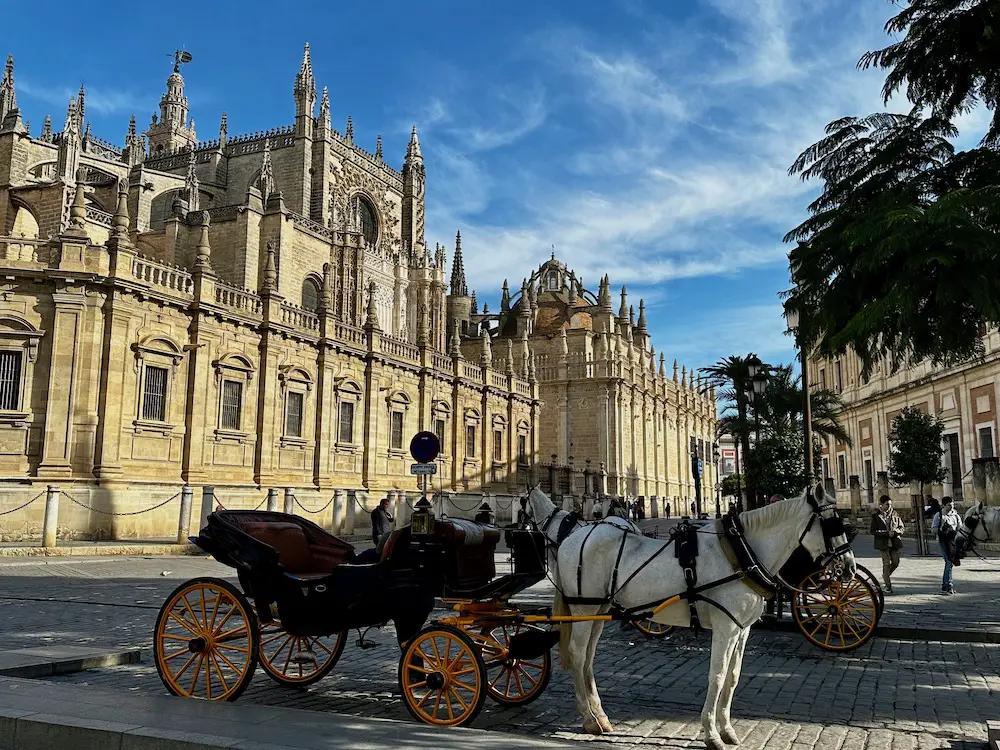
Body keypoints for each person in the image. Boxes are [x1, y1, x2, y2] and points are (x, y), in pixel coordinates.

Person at [870, 495, 904, 594]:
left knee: (896, 562)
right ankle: (888, 586)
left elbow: (902, 528)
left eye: (890, 504)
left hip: (894, 542)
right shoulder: (876, 516)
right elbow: (873, 531)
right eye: (887, 504)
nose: (889, 506)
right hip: (883, 544)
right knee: (886, 563)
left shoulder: (895, 514)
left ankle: (886, 575)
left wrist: (896, 531)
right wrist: (885, 533)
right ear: (881, 505)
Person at [931, 496, 962, 594]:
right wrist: (942, 530)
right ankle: (949, 584)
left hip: (953, 542)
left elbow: (960, 529)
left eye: (952, 505)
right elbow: (933, 529)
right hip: (943, 541)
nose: (951, 507)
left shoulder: (956, 516)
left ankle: (945, 584)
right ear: (944, 505)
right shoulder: (939, 515)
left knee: (950, 563)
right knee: (948, 562)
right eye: (949, 505)